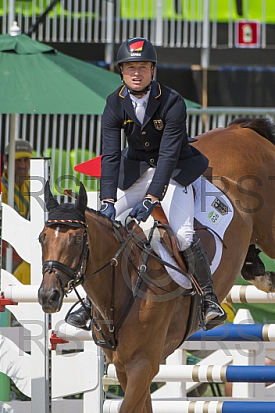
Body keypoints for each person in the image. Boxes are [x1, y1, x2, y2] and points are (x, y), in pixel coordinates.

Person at [65, 37, 227, 332]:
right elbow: (111, 154)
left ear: (153, 70)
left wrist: (153, 198)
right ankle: (89, 303)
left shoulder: (172, 101)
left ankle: (208, 301)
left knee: (183, 233)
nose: (136, 73)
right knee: (99, 224)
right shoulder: (114, 102)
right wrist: (108, 201)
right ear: (122, 72)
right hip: (136, 170)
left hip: (174, 170)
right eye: (130, 67)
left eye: (142, 67)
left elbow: (168, 154)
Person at [0, 139, 33, 283]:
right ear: (6, 160)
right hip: (1, 253)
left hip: (26, 251)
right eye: (18, 161)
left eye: (26, 160)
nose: (23, 165)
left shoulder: (34, 188)